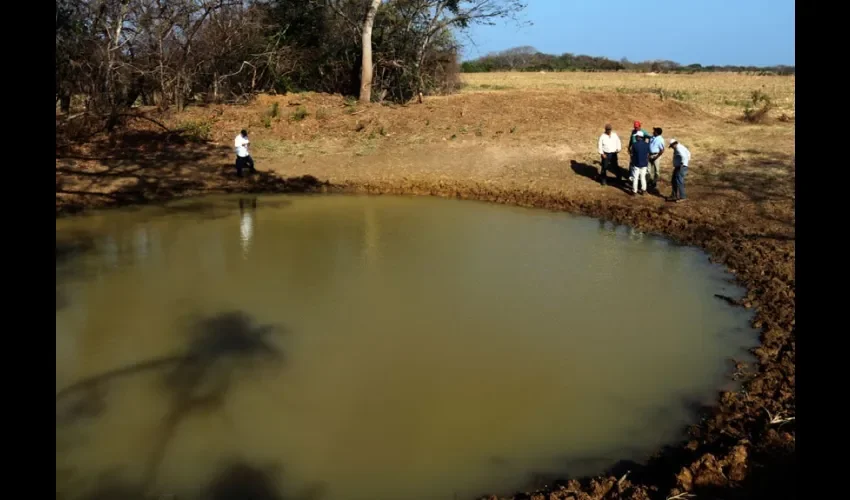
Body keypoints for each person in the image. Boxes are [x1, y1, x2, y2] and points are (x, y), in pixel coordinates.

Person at [668, 138, 690, 203]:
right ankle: (674, 195)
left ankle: (683, 197)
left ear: (674, 144)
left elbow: (684, 156)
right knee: (673, 180)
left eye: (671, 146)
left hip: (681, 167)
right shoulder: (680, 147)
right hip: (679, 166)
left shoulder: (678, 148)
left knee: (679, 181)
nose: (672, 148)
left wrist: (682, 164)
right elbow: (688, 154)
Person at [630, 131, 651, 195]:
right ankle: (643, 190)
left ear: (639, 137)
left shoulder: (634, 145)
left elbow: (632, 154)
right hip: (644, 164)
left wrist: (632, 162)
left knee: (635, 178)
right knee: (643, 177)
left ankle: (634, 191)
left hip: (636, 164)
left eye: (636, 136)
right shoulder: (647, 145)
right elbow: (648, 154)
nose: (636, 137)